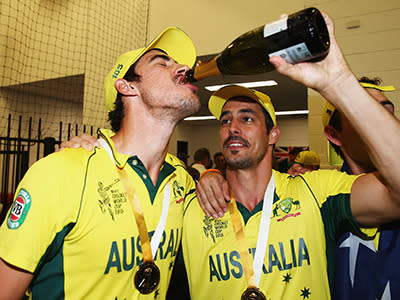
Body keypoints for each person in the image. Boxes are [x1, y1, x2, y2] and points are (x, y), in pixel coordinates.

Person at [192, 13, 400, 299]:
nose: (233, 128)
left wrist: (338, 82)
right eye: (225, 120)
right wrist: (207, 174)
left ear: (273, 135)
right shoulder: (192, 206)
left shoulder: (316, 191)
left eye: (247, 119)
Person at [0, 27, 200, 300]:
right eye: (162, 62)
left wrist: (213, 175)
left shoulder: (183, 181)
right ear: (127, 86)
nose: (184, 68)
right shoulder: (60, 173)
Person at [322, 77, 399, 299]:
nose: (383, 123)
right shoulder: (321, 199)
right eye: (365, 114)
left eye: (388, 114)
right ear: (334, 135)